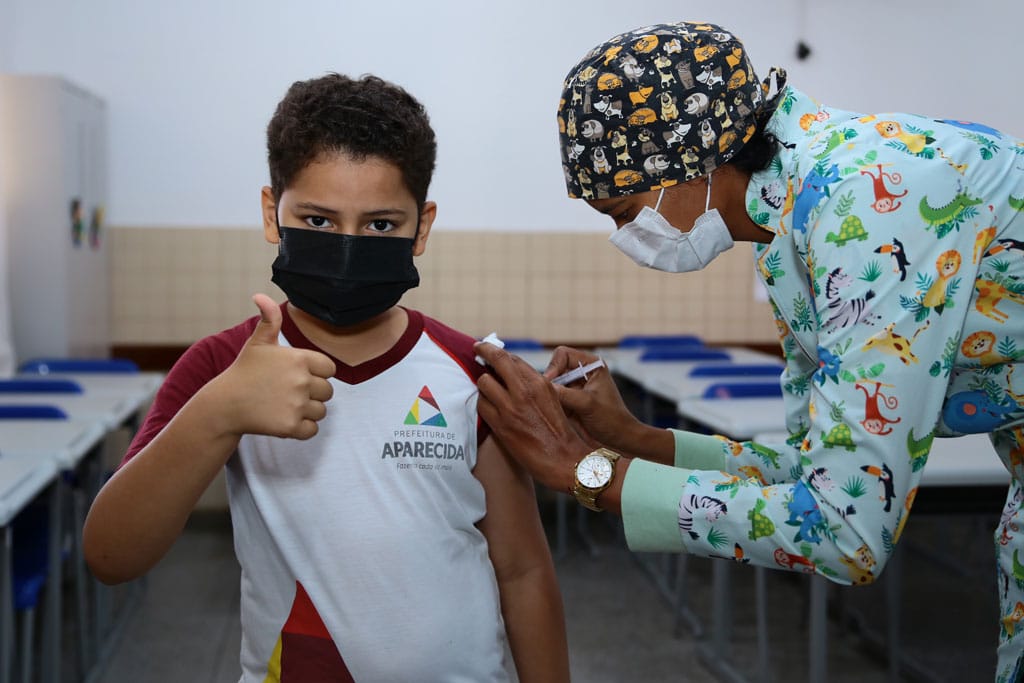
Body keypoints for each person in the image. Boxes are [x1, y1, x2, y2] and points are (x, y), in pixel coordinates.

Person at [473, 20, 1024, 681]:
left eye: (623, 211)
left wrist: (589, 472)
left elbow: (846, 530)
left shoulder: (867, 202)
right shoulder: (787, 229)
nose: (625, 236)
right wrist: (634, 438)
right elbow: (808, 472)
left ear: (689, 159)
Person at [83, 73, 569, 682]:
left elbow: (522, 569)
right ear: (272, 213)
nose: (347, 245)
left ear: (422, 227)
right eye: (316, 220)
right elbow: (111, 554)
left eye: (381, 225)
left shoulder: (469, 371)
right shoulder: (221, 367)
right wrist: (220, 412)